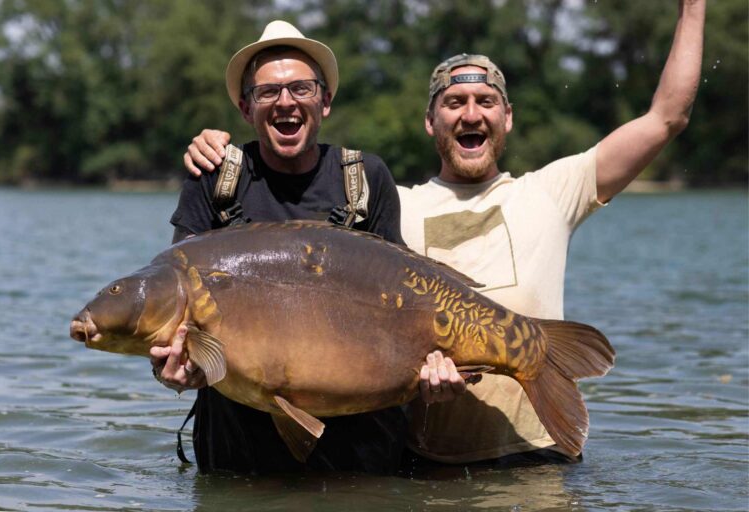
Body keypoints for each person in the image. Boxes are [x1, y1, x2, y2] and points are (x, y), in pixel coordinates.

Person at [181, 0, 705, 468]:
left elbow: (666, 118)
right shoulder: (391, 199)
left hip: (535, 454)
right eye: (454, 103)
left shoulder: (552, 191)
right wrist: (212, 148)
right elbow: (325, 274)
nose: (471, 113)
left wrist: (693, 7)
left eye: (486, 101)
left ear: (508, 118)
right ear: (431, 123)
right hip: (426, 462)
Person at [150, 20, 408, 474]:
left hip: (361, 456)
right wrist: (172, 371)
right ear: (246, 107)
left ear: (324, 101)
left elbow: (406, 300)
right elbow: (178, 314)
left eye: (301, 89)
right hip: (237, 456)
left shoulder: (367, 177)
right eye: (268, 92)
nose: (285, 102)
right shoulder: (212, 177)